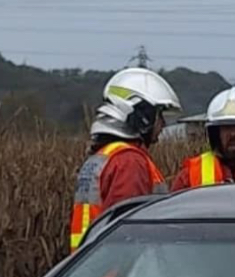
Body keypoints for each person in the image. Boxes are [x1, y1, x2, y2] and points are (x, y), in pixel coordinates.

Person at [69, 68, 180, 252]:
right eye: (158, 115)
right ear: (142, 115)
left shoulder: (103, 157)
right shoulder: (129, 162)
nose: (163, 124)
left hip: (92, 269)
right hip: (116, 275)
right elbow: (127, 234)